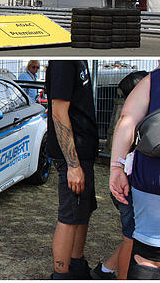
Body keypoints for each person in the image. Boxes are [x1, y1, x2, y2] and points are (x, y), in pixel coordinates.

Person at [109, 61, 160, 279]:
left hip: (158, 179)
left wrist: (117, 167)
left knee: (150, 258)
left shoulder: (154, 80)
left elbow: (127, 120)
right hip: (157, 180)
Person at [45, 60, 98, 279]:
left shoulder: (77, 60)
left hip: (83, 152)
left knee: (82, 212)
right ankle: (61, 274)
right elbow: (58, 112)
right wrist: (73, 165)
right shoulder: (63, 61)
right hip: (72, 155)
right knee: (69, 216)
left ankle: (77, 266)